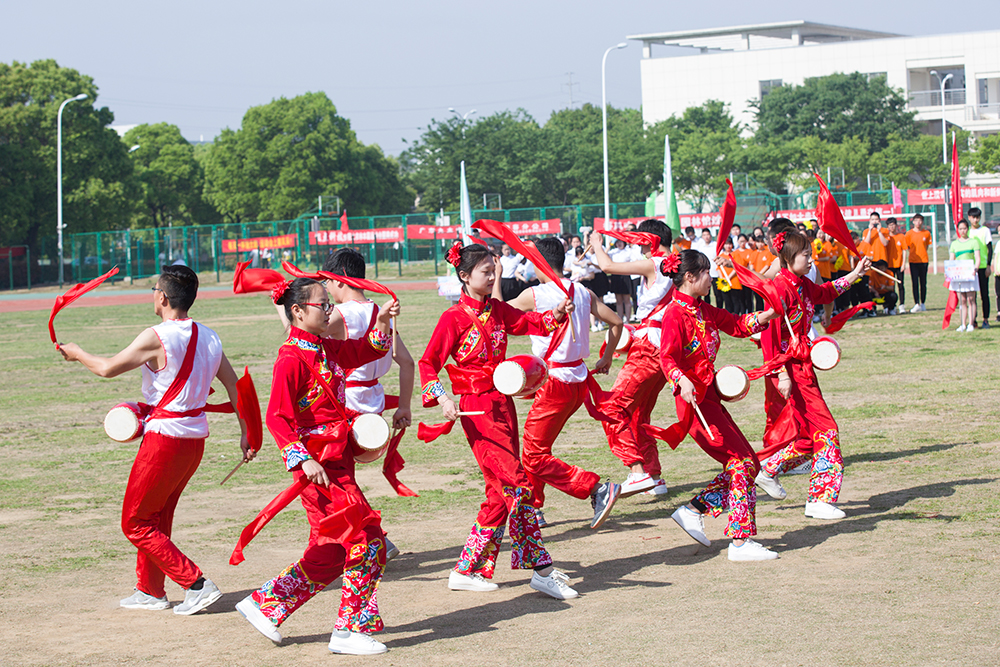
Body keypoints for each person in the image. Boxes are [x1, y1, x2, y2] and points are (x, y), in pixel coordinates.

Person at [57, 265, 250, 614]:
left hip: (165, 439)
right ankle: (149, 590)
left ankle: (196, 584)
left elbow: (106, 368)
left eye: (154, 291)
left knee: (135, 522)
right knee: (157, 517)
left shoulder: (157, 336)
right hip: (194, 439)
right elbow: (235, 386)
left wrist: (78, 353)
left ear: (161, 297)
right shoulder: (209, 336)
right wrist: (246, 431)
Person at [237, 278, 398, 655]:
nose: (329, 311)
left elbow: (366, 350)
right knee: (367, 540)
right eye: (322, 305)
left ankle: (265, 604)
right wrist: (303, 458)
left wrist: (383, 321)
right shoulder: (290, 359)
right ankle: (348, 630)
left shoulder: (326, 347)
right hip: (318, 466)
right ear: (297, 311)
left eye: (329, 304)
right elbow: (277, 417)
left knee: (333, 550)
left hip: (337, 460)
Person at [418, 242, 579, 600]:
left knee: (498, 492)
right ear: (464, 276)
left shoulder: (498, 310)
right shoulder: (452, 318)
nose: (493, 277)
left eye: (495, 271)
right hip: (476, 410)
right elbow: (428, 363)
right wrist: (442, 398)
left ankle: (466, 570)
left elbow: (530, 322)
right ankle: (542, 570)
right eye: (486, 272)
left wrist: (557, 312)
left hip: (502, 403)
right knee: (518, 485)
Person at [659, 250, 779, 561]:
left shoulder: (703, 309)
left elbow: (736, 324)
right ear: (690, 277)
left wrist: (768, 315)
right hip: (694, 403)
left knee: (748, 463)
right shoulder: (674, 314)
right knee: (741, 463)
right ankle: (740, 541)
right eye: (706, 272)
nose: (711, 278)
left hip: (709, 397)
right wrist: (680, 379)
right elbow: (667, 357)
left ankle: (694, 510)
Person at [507, 238, 624, 529]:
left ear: (540, 263)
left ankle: (596, 488)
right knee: (537, 447)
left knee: (533, 454)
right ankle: (532, 508)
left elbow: (496, 313)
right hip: (578, 381)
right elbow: (617, 321)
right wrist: (606, 357)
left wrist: (496, 277)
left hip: (553, 382)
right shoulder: (582, 291)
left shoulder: (535, 294)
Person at [753, 232, 871, 519]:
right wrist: (782, 375)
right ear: (788, 258)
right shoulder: (779, 290)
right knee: (827, 430)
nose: (810, 259)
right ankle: (820, 498)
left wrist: (855, 274)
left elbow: (826, 292)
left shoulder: (802, 283)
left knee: (808, 435)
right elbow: (769, 339)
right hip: (791, 369)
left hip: (803, 366)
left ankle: (768, 470)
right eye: (805, 255)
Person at [591, 220, 675, 496]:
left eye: (640, 240)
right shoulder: (677, 263)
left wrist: (597, 244)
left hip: (649, 344)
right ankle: (654, 476)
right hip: (667, 346)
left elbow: (607, 266)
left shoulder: (655, 263)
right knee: (639, 414)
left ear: (649, 240)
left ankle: (637, 472)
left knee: (612, 408)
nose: (638, 246)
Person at [949, 219, 981, 332]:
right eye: (960, 229)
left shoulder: (973, 242)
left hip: (970, 273)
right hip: (959, 275)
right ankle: (962, 324)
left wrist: (975, 269)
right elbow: (952, 259)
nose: (962, 231)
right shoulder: (954, 244)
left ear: (968, 229)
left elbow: (977, 258)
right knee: (962, 300)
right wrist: (948, 272)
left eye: (964, 228)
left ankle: (971, 324)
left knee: (971, 299)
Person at [968, 208, 992, 328]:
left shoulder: (985, 230)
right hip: (970, 268)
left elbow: (989, 249)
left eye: (977, 217)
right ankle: (973, 320)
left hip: (982, 266)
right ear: (969, 218)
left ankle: (985, 319)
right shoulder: (967, 232)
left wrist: (988, 265)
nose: (975, 220)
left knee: (984, 294)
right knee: (972, 296)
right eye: (973, 217)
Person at [905, 213, 932, 313]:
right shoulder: (909, 234)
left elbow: (927, 245)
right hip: (913, 261)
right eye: (916, 220)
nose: (918, 222)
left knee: (923, 283)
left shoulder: (926, 233)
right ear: (913, 222)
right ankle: (916, 303)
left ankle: (923, 303)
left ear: (922, 222)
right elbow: (908, 247)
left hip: (924, 261)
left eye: (920, 220)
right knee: (915, 283)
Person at [607, 238, 634, 321]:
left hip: (625, 276)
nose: (619, 244)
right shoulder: (613, 252)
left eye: (621, 242)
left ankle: (628, 319)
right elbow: (605, 255)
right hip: (616, 277)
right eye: (617, 242)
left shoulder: (628, 251)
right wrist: (608, 246)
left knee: (626, 299)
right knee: (618, 300)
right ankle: (620, 318)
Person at [886, 218, 906, 309]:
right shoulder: (886, 237)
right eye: (890, 225)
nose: (892, 227)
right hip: (889, 265)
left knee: (901, 285)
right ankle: (891, 305)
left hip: (898, 265)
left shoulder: (901, 236)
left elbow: (904, 250)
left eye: (893, 224)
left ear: (896, 225)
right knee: (890, 286)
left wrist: (903, 264)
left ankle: (902, 304)